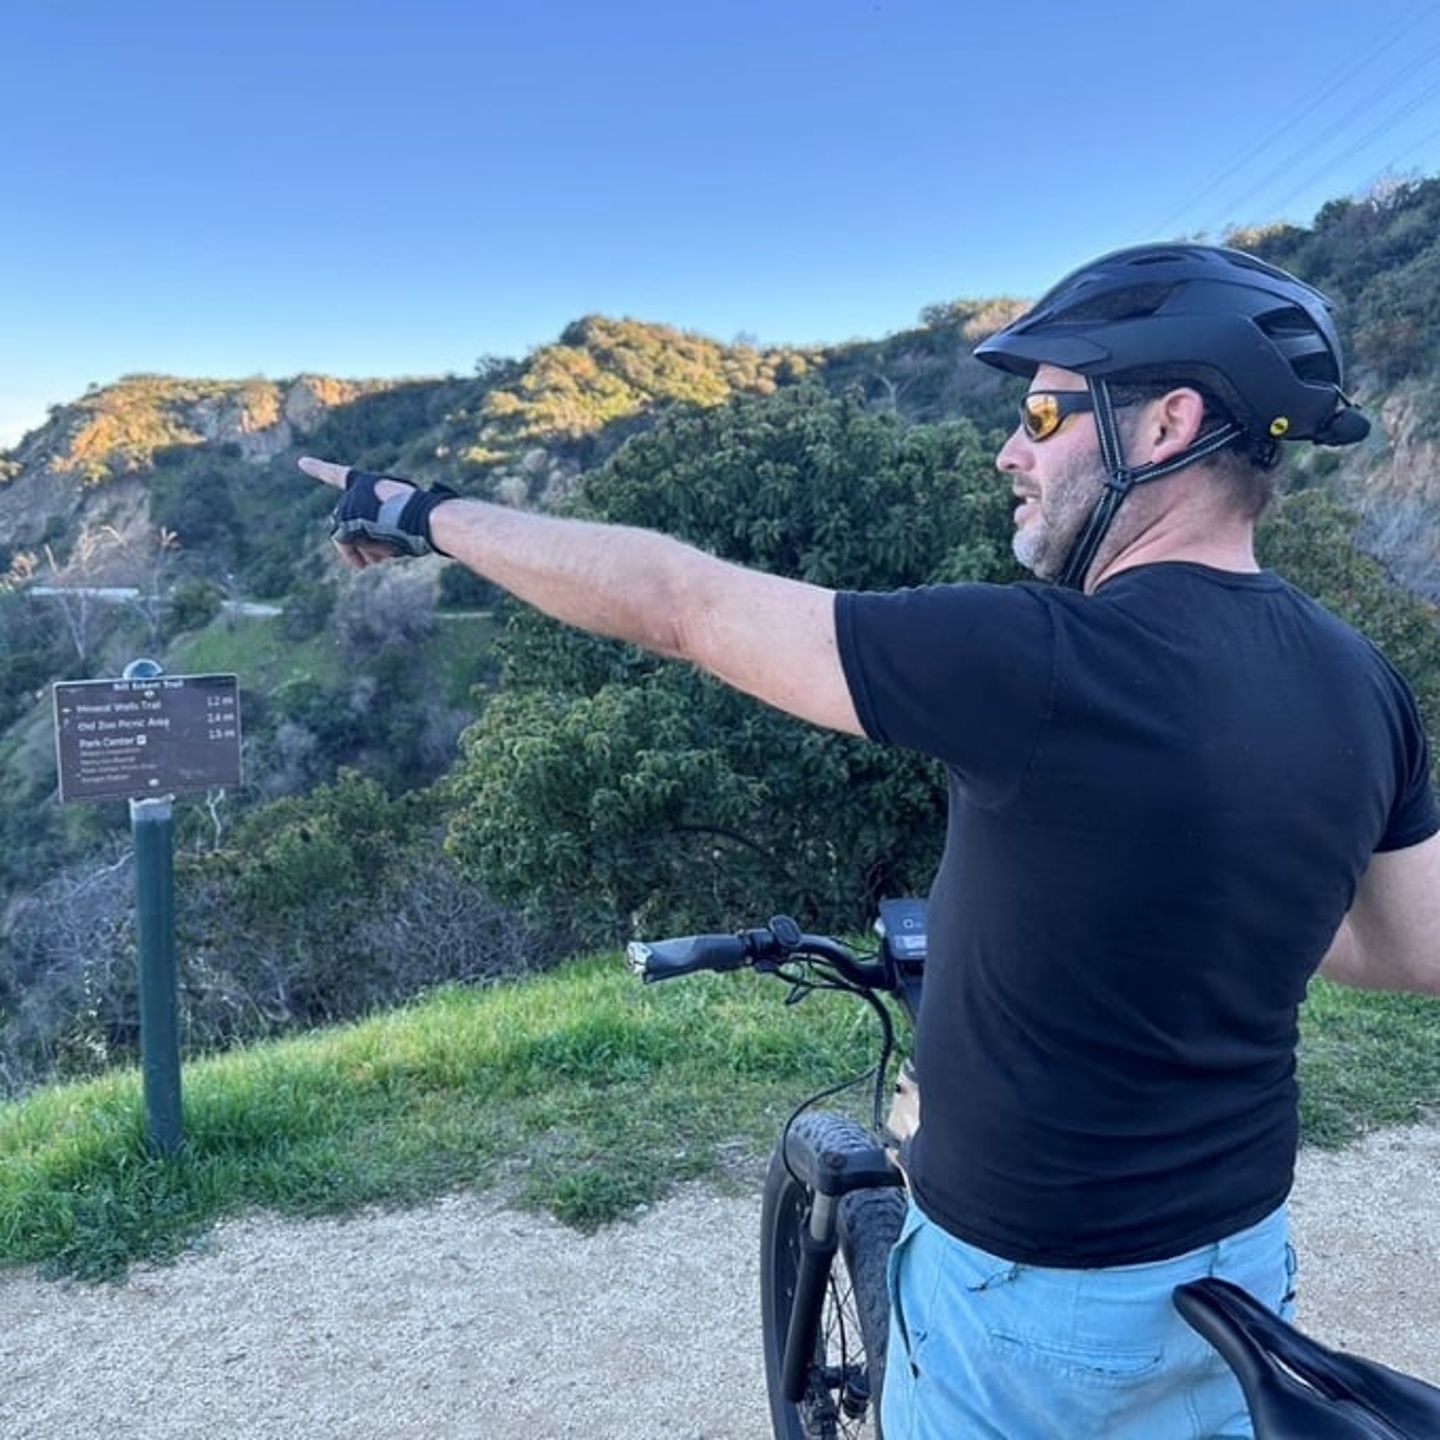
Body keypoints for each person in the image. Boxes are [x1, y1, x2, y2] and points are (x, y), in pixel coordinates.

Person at [301, 243, 1440, 1439]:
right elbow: (1413, 943)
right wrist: (1215, 907)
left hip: (1031, 1300)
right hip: (1238, 1268)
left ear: (1168, 424)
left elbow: (679, 603)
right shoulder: (1361, 680)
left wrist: (423, 512)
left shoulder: (1042, 660)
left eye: (1046, 412)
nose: (1013, 448)